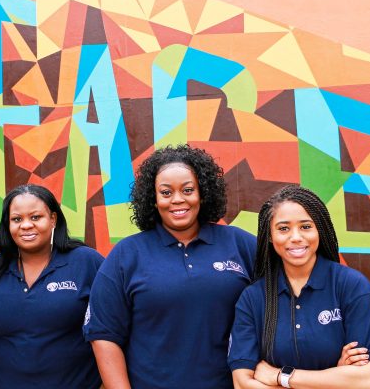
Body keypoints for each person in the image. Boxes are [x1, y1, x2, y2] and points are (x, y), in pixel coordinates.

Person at [84, 144, 257, 389]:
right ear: (153, 200)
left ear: (203, 193)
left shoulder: (241, 244)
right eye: (166, 193)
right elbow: (104, 335)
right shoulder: (126, 255)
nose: (178, 200)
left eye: (188, 190)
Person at [228, 185, 370, 389]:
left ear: (319, 230)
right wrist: (335, 379)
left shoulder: (351, 286)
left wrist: (281, 376)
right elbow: (242, 383)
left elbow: (367, 381)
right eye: (283, 228)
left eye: (305, 226)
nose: (295, 237)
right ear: (270, 236)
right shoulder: (253, 298)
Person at [0, 184, 104, 388]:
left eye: (35, 217)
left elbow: (112, 329)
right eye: (17, 219)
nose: (26, 225)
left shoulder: (86, 262)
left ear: (53, 219)